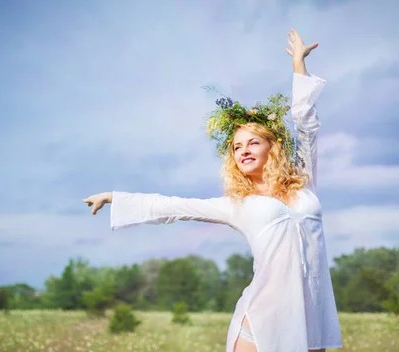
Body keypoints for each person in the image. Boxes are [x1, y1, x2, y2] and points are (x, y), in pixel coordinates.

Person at [83, 28, 343, 352]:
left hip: (311, 317)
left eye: (253, 143)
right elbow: (175, 207)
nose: (244, 151)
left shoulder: (304, 180)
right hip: (261, 324)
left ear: (272, 147)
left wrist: (298, 67)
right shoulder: (238, 204)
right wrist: (115, 198)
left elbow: (307, 126)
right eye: (236, 147)